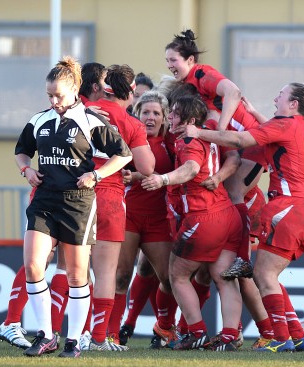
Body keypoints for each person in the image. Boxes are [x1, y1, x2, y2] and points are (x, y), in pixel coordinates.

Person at [176, 82, 304, 353]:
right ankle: (295, 334)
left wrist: (200, 132)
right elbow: (275, 130)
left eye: (281, 94)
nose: (275, 97)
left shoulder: (286, 124)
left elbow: (240, 140)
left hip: (288, 207)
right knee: (269, 276)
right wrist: (255, 113)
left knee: (262, 275)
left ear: (293, 105)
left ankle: (279, 338)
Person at [14, 56, 132, 358]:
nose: (54, 101)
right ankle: (46, 334)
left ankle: (74, 340)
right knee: (33, 266)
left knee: (78, 276)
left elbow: (124, 155)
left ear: (75, 89)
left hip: (77, 204)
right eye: (49, 95)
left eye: (59, 96)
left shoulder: (92, 121)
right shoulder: (39, 120)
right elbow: (22, 151)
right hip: (44, 201)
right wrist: (27, 170)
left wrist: (96, 174)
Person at [142, 93, 243, 351]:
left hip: (203, 215)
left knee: (177, 275)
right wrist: (219, 177)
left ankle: (195, 331)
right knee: (224, 277)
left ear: (191, 118)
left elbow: (191, 169)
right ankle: (230, 335)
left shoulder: (188, 138)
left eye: (175, 112)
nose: (170, 116)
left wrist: (163, 180)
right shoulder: (209, 131)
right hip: (227, 214)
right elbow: (234, 158)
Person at [165, 30, 267, 279]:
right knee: (228, 193)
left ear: (190, 60)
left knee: (234, 193)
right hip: (238, 144)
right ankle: (237, 250)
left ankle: (243, 259)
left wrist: (220, 129)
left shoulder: (202, 73)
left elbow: (233, 92)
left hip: (251, 142)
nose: (169, 66)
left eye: (173, 60)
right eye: (167, 61)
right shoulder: (189, 86)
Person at [83, 64, 155, 351]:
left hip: (76, 193)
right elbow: (147, 168)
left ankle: (68, 335)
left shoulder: (83, 109)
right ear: (132, 90)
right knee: (106, 272)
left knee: (72, 270)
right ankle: (99, 337)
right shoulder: (131, 123)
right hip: (110, 196)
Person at [111, 90, 178, 347]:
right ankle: (111, 333)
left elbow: (181, 170)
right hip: (128, 215)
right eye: (145, 112)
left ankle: (164, 328)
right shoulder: (125, 138)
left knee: (170, 280)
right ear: (136, 115)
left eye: (156, 113)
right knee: (120, 276)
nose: (150, 117)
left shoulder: (171, 142)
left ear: (164, 118)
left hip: (159, 220)